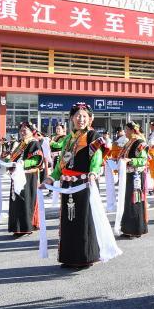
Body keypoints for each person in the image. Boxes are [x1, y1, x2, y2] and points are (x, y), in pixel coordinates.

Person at [44, 103, 111, 268]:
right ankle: (69, 257)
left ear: (90, 119)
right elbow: (62, 163)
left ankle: (85, 257)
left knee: (84, 220)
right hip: (67, 185)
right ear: (72, 118)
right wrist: (51, 178)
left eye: (84, 116)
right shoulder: (69, 139)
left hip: (84, 183)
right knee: (68, 220)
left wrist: (93, 172)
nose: (81, 119)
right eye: (77, 116)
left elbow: (96, 157)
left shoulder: (92, 136)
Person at [4, 122, 44, 239]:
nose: (22, 132)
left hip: (28, 177)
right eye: (21, 129)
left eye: (25, 129)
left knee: (25, 200)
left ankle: (26, 227)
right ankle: (17, 227)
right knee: (16, 201)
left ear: (32, 131)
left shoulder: (34, 143)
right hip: (17, 175)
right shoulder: (21, 144)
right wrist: (6, 161)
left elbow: (36, 159)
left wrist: (22, 164)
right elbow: (13, 158)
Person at [117, 122, 149, 239]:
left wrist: (130, 160)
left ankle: (136, 230)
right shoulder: (129, 142)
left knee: (135, 201)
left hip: (136, 176)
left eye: (126, 129)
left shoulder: (139, 143)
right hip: (128, 175)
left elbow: (143, 160)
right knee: (127, 202)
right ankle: (127, 229)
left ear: (132, 130)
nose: (125, 132)